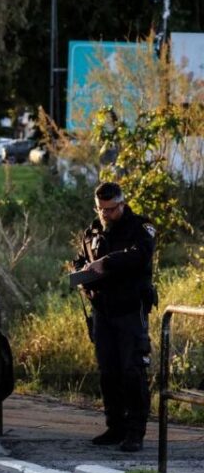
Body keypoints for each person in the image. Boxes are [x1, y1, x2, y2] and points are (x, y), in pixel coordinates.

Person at [74, 182, 157, 452]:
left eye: (110, 209)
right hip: (103, 310)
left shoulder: (140, 228)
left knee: (132, 371)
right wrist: (81, 273)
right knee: (108, 371)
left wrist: (106, 262)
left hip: (130, 310)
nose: (105, 215)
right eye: (101, 209)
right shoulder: (93, 230)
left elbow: (140, 256)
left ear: (122, 204)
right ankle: (115, 426)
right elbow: (81, 258)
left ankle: (135, 432)